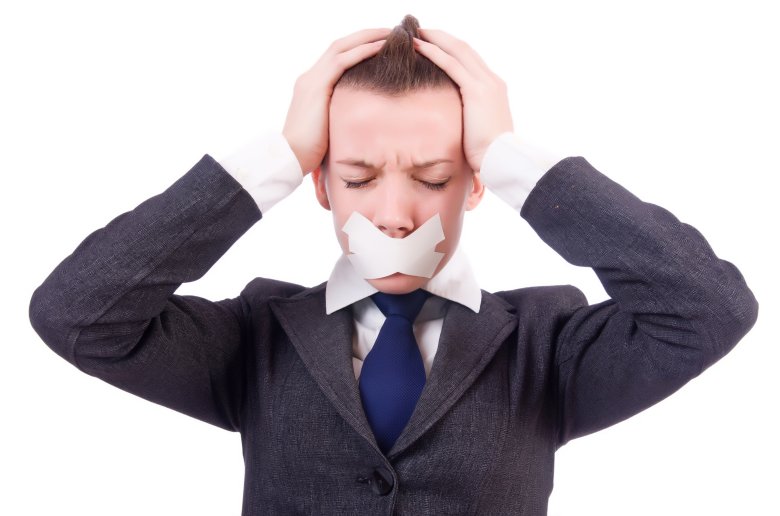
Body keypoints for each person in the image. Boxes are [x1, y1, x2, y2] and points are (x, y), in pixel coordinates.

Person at [28, 15, 758, 515]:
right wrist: (276, 158)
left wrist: (514, 158)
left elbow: (711, 309)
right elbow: (76, 315)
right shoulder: (255, 337)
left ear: (476, 184)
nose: (394, 215)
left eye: (433, 178)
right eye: (358, 177)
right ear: (320, 185)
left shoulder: (548, 344)